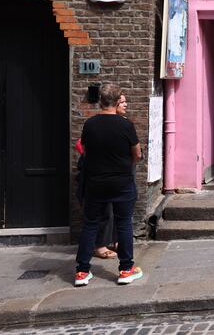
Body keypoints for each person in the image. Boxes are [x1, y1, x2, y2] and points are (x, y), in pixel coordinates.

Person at [75, 84, 143, 287]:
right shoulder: (125, 125)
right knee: (123, 224)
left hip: (96, 182)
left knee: (90, 225)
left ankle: (81, 272)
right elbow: (137, 154)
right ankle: (125, 270)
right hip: (121, 182)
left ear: (101, 101)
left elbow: (85, 151)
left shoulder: (90, 124)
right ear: (115, 101)